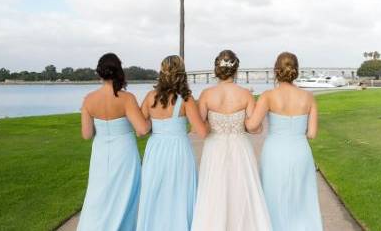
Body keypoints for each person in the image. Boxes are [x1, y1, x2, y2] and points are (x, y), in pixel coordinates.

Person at [192, 50, 271, 231]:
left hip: (214, 147)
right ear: (235, 70)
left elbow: (198, 129)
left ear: (216, 70)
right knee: (241, 191)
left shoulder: (206, 94)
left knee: (214, 192)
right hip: (240, 147)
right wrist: (250, 125)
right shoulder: (245, 94)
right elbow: (253, 127)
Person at [246, 52, 323, 231]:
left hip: (275, 153)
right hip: (300, 152)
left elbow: (252, 126)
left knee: (274, 197)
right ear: (296, 70)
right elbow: (311, 133)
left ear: (276, 71)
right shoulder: (309, 97)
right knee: (302, 199)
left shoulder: (267, 96)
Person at [77, 53, 150, 231]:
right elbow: (142, 129)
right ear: (119, 71)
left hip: (101, 154)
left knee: (98, 194)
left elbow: (87, 134)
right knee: (125, 196)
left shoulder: (89, 100)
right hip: (124, 154)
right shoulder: (126, 98)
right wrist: (152, 120)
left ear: (100, 73)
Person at [137, 55, 207, 231]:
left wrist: (156, 127)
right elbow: (201, 131)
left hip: (156, 150)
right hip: (179, 151)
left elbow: (140, 130)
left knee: (155, 193)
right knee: (179, 193)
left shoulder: (150, 97)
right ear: (181, 73)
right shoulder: (186, 98)